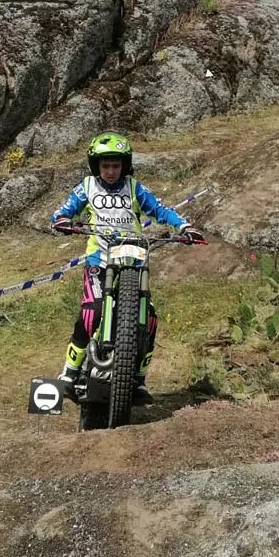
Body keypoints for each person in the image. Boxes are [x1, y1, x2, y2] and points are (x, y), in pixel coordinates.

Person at [51, 132, 205, 403]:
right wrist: (62, 220)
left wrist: (185, 226)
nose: (111, 171)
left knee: (151, 320)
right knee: (92, 312)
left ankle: (139, 380)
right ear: (95, 166)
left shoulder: (135, 188)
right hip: (99, 260)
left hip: (134, 260)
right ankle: (69, 373)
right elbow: (63, 210)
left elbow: (161, 210)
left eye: (116, 165)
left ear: (125, 165)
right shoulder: (86, 186)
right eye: (105, 166)